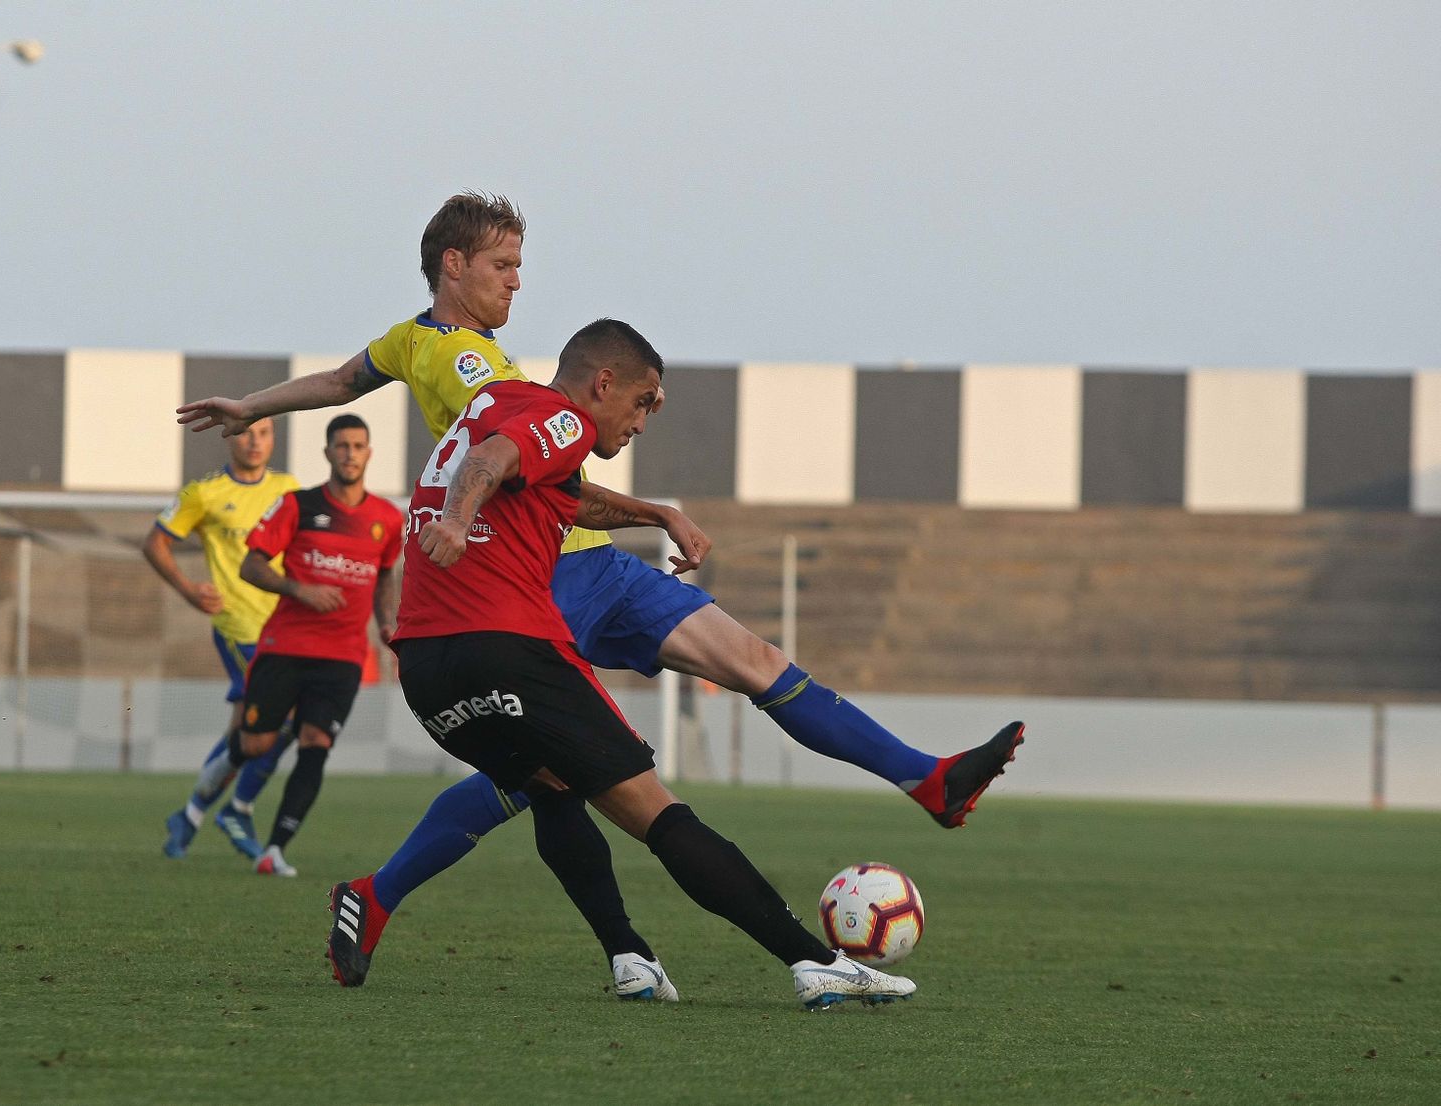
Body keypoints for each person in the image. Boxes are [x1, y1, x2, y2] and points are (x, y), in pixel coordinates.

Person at [178, 192, 1023, 996]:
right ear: (453, 263)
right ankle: (474, 911)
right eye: (504, 264)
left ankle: (926, 780)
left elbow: (339, 381)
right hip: (549, 571)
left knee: (747, 666)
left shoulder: (410, 341)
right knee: (557, 773)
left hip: (579, 571)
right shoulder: (476, 363)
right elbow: (511, 461)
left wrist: (249, 403)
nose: (517, 279)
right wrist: (610, 508)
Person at [331, 318, 919, 1009]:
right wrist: (459, 518)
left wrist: (656, 514)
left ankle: (627, 954)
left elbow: (547, 485)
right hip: (509, 650)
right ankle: (815, 961)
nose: (642, 422)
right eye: (642, 402)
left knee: (552, 788)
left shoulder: (496, 404)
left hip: (428, 670)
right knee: (658, 814)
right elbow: (490, 463)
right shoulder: (562, 419)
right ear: (602, 382)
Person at [189, 414, 403, 876]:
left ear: (369, 453)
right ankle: (210, 789)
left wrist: (386, 623)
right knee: (256, 743)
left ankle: (275, 850)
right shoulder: (297, 505)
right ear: (327, 453)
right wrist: (300, 590)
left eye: (358, 445)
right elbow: (252, 567)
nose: (350, 453)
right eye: (341, 445)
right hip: (285, 645)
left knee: (316, 742)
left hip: (343, 656)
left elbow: (385, 574)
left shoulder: (387, 519)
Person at [146, 418, 299, 860]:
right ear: (231, 436)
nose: (255, 441)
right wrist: (189, 589)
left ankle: (190, 814)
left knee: (246, 729)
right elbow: (154, 543)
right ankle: (238, 808)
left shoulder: (289, 489)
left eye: (265, 432)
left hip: (286, 624)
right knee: (283, 720)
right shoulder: (204, 494)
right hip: (240, 628)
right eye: (247, 431)